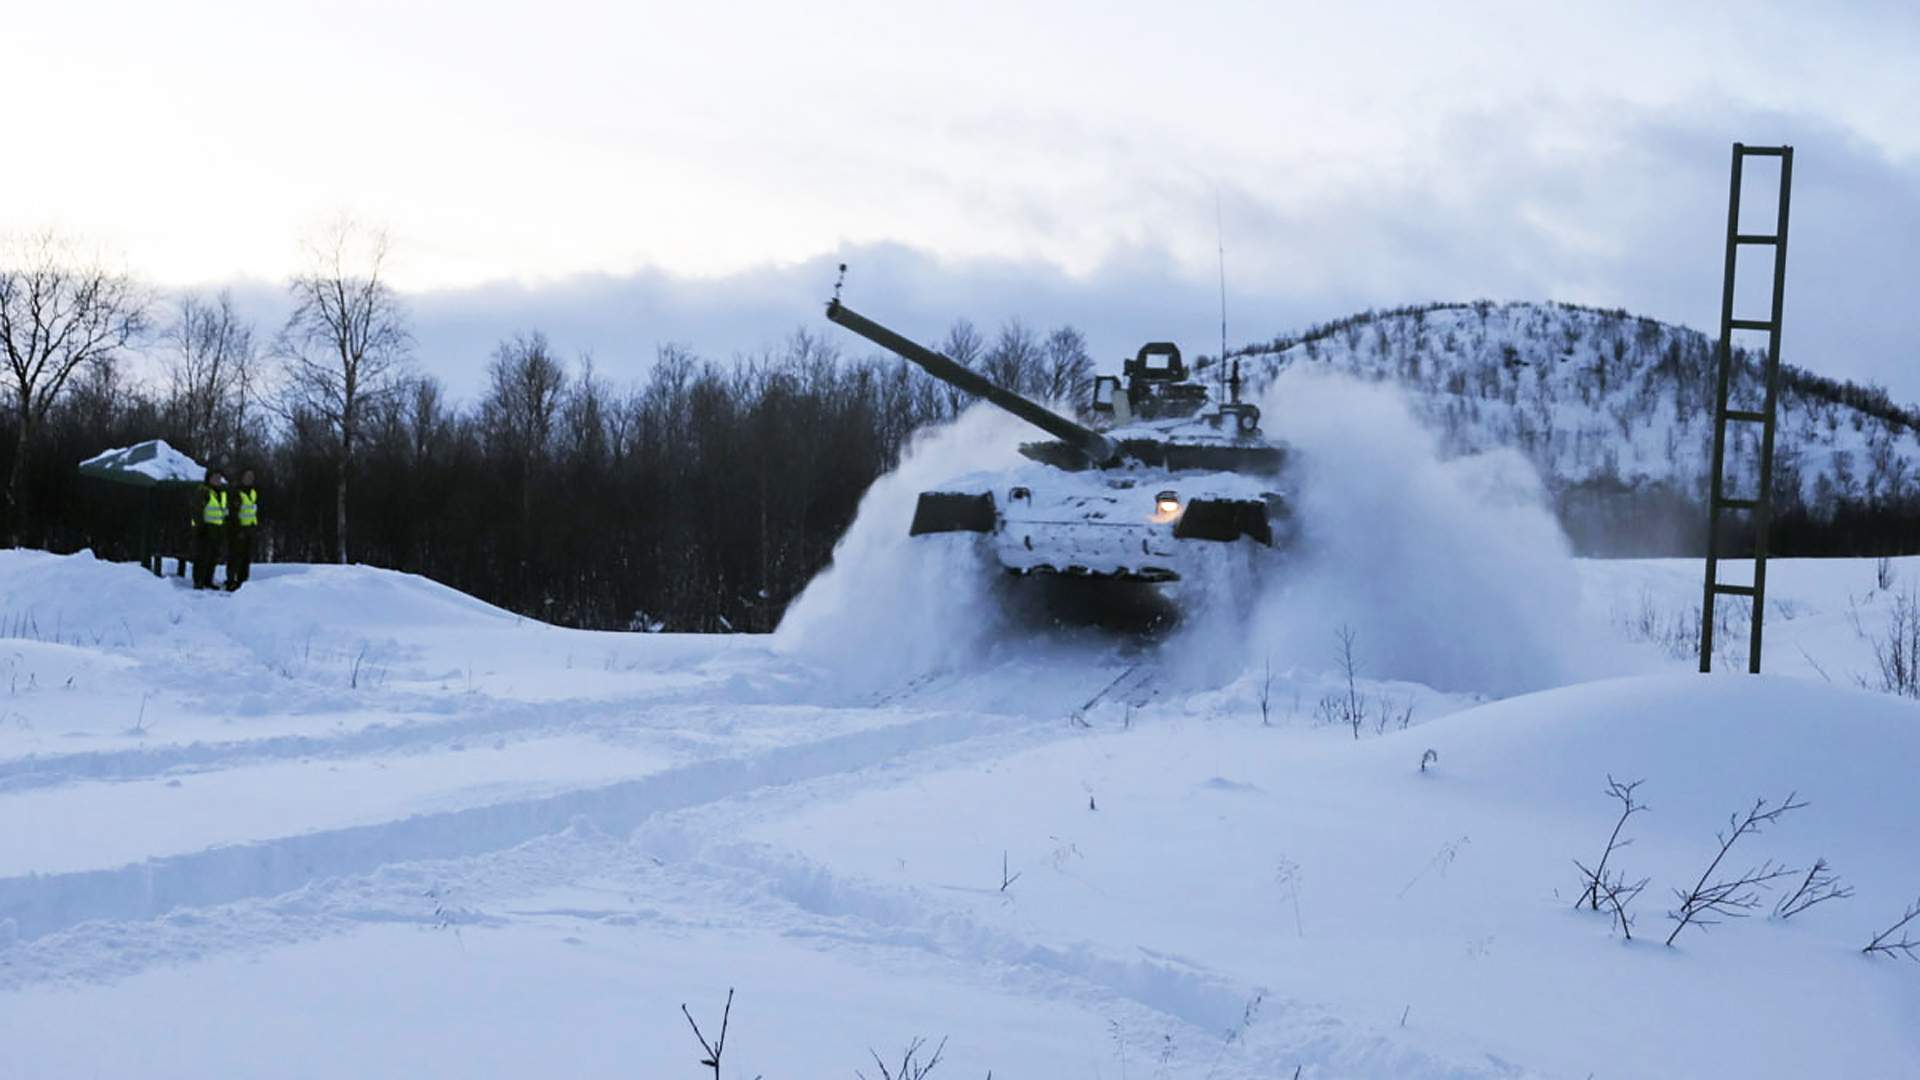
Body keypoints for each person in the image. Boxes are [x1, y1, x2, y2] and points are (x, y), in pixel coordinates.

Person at [192, 468, 229, 590]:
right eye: (215, 477)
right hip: (205, 528)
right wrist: (200, 527)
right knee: (202, 556)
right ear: (209, 478)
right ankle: (198, 581)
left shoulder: (221, 493)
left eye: (219, 478)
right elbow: (197, 510)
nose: (217, 480)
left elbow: (223, 511)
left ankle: (208, 579)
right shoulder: (203, 491)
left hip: (217, 528)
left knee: (213, 557)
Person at [226, 467, 260, 592]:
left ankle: (242, 582)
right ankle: (230, 581)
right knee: (234, 557)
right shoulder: (236, 492)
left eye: (252, 477)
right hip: (237, 529)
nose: (250, 479)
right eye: (247, 476)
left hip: (249, 528)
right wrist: (237, 529)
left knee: (246, 557)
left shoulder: (253, 492)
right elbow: (233, 513)